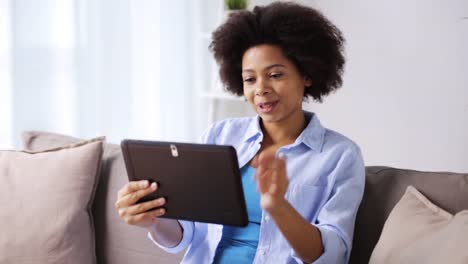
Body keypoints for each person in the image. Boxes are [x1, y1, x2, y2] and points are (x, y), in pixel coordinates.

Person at [115, 2, 365, 263]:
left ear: (307, 74)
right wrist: (152, 220)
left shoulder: (340, 156)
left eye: (275, 75)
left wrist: (279, 207)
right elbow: (186, 235)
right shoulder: (219, 135)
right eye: (250, 79)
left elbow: (333, 255)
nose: (261, 89)